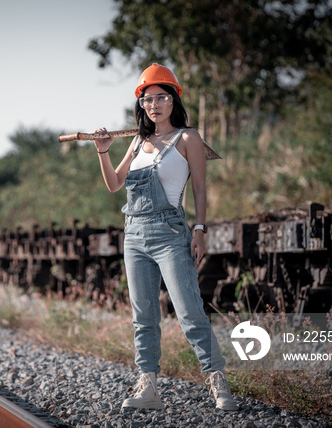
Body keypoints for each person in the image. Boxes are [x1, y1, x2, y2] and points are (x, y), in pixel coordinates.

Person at [92, 63, 238, 411]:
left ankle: (218, 382)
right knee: (144, 317)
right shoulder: (139, 141)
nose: (153, 105)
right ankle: (149, 387)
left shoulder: (188, 138)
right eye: (147, 100)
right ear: (141, 105)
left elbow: (200, 189)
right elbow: (115, 184)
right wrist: (103, 149)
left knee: (189, 312)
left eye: (161, 97)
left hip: (172, 233)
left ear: (174, 99)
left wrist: (200, 230)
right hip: (135, 235)